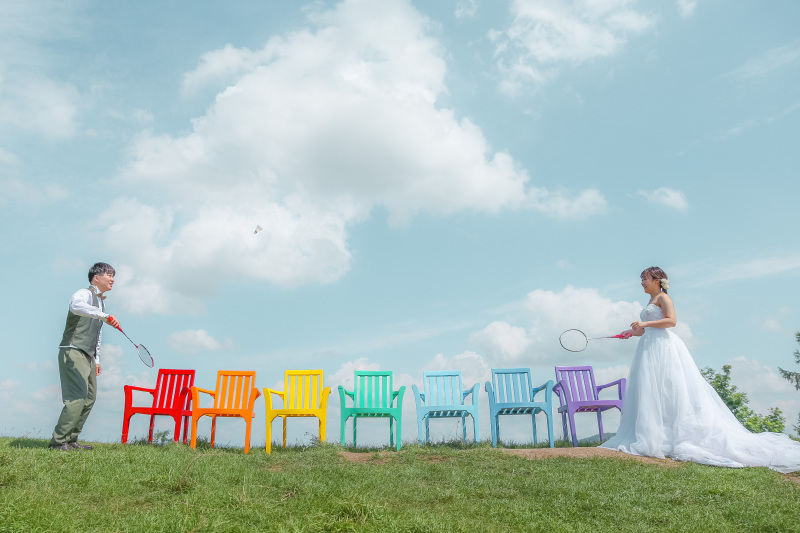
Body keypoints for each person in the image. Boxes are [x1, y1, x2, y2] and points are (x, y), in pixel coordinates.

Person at [600, 266, 800, 473]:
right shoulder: (650, 301)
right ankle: (657, 435)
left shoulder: (663, 298)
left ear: (658, 280)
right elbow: (647, 329)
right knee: (653, 391)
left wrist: (644, 322)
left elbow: (671, 321)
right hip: (649, 347)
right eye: (641, 279)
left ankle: (676, 434)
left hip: (664, 348)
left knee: (670, 389)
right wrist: (632, 332)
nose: (642, 282)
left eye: (645, 278)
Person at [48, 262, 120, 451]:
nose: (113, 279)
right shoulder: (84, 294)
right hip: (72, 350)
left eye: (114, 276)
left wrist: (96, 359)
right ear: (97, 277)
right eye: (109, 275)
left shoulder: (102, 302)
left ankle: (71, 439)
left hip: (88, 355)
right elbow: (76, 306)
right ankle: (58, 442)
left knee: (89, 398)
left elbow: (97, 333)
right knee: (77, 397)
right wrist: (102, 315)